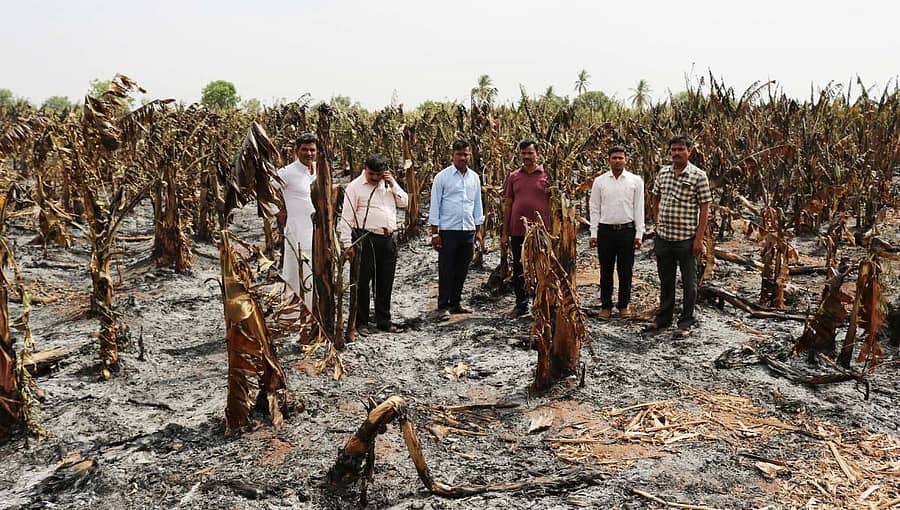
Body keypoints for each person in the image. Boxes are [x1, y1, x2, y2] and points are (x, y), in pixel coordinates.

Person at [644, 136, 712, 337]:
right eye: (673, 150)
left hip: (686, 239)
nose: (676, 153)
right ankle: (663, 318)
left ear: (689, 151)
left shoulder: (698, 176)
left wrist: (699, 239)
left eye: (681, 149)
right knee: (666, 280)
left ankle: (685, 322)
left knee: (689, 282)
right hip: (664, 238)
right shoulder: (663, 173)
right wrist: (657, 221)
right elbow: (655, 197)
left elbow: (705, 209)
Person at [338, 153, 408, 333]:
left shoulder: (387, 185)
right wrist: (347, 244)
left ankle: (384, 320)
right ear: (365, 170)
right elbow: (346, 217)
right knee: (362, 282)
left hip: (388, 239)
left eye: (379, 174)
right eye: (372, 174)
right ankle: (360, 322)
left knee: (385, 281)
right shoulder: (355, 187)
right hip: (365, 238)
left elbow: (404, 202)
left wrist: (393, 184)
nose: (375, 178)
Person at [428, 139, 484, 321]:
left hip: (467, 229)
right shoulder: (442, 177)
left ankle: (456, 303)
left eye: (466, 154)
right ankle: (442, 306)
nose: (463, 158)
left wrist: (478, 231)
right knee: (446, 268)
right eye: (459, 154)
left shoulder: (474, 177)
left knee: (462, 268)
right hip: (448, 230)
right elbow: (435, 205)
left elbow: (477, 206)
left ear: (470, 155)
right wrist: (435, 233)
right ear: (452, 155)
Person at [589, 146, 645, 320]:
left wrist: (639, 234)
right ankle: (606, 306)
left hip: (626, 231)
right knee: (606, 271)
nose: (617, 160)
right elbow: (594, 207)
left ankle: (623, 305)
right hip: (605, 231)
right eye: (614, 158)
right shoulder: (600, 181)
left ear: (626, 159)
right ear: (608, 160)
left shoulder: (635, 181)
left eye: (620, 157)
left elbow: (639, 208)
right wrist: (593, 232)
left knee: (625, 270)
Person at [500, 140, 550, 318]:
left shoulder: (547, 175)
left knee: (541, 267)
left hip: (541, 232)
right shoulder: (514, 176)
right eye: (524, 153)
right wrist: (505, 233)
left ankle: (541, 304)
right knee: (520, 268)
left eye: (530, 153)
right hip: (518, 230)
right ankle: (521, 305)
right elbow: (508, 204)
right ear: (519, 155)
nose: (527, 157)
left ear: (537, 154)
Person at [274, 133, 318, 311]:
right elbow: (267, 192)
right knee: (295, 275)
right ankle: (291, 315)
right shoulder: (287, 172)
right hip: (298, 232)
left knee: (315, 275)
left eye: (312, 150)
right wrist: (279, 212)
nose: (309, 153)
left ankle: (313, 314)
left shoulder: (318, 170)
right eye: (305, 150)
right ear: (296, 151)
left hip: (317, 232)